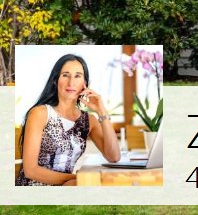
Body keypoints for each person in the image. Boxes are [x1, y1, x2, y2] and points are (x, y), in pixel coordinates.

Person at [16, 54, 120, 186]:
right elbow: (30, 171)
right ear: (55, 80)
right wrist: (78, 178)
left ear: (85, 83)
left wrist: (102, 112)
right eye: (65, 75)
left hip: (67, 185)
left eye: (77, 76)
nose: (71, 82)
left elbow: (114, 157)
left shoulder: (89, 120)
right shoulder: (40, 113)